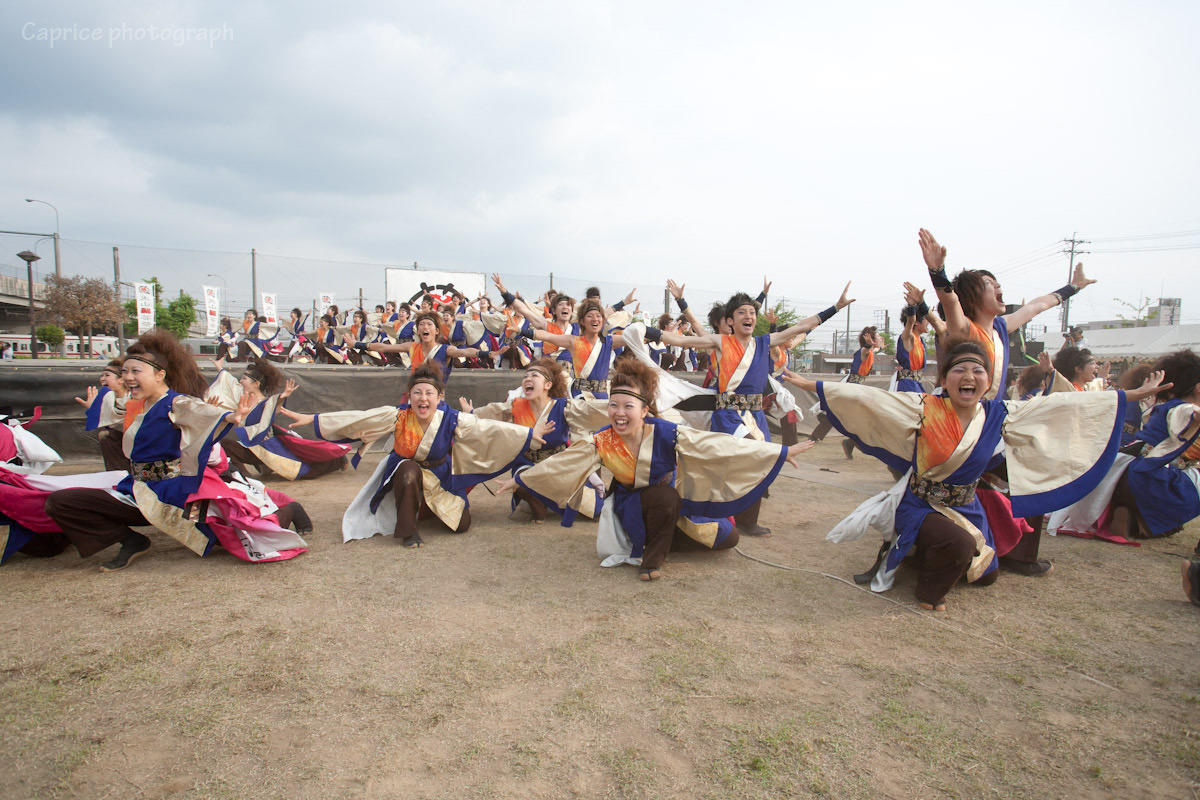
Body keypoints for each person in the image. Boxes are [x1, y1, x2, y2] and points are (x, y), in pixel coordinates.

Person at [783, 339, 1163, 610]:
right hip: (919, 503)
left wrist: (1128, 395)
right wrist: (811, 385)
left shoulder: (1001, 414)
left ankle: (920, 552)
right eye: (959, 370)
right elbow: (870, 399)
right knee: (960, 549)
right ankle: (928, 593)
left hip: (967, 508)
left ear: (987, 379)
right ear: (946, 378)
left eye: (977, 370)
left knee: (987, 575)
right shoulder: (922, 407)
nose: (969, 376)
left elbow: (1065, 406)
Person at [499, 359, 814, 580]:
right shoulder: (601, 440)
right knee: (662, 496)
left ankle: (662, 539)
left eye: (627, 407)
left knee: (728, 539)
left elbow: (716, 446)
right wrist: (523, 478)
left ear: (644, 410)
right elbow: (566, 462)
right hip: (631, 507)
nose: (619, 413)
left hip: (671, 507)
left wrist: (779, 451)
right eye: (613, 406)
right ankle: (652, 558)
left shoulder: (666, 431)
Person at [44, 330, 312, 572]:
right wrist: (96, 408)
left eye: (135, 371)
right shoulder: (138, 405)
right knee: (61, 501)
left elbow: (200, 411)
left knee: (236, 537)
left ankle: (289, 510)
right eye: (124, 371)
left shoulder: (176, 403)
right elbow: (118, 417)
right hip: (137, 488)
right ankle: (132, 540)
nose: (127, 377)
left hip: (176, 496)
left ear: (160, 374)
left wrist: (230, 417)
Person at [651, 283, 854, 536]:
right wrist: (647, 332)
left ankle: (747, 519)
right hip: (728, 415)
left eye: (752, 312)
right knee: (746, 458)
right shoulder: (720, 341)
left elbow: (801, 326)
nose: (748, 316)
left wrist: (835, 307)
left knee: (761, 462)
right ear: (730, 321)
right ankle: (712, 510)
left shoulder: (764, 342)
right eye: (741, 313)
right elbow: (681, 338)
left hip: (756, 416)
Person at [279, 364, 551, 548]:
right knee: (408, 469)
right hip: (406, 474)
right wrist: (312, 419)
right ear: (409, 397)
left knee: (462, 525)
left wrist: (528, 434)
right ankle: (408, 531)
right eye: (417, 393)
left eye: (429, 393)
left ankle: (427, 510)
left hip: (440, 478)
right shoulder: (398, 416)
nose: (423, 398)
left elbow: (487, 428)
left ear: (439, 396)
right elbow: (359, 418)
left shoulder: (451, 419)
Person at [460, 357, 609, 522]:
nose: (528, 379)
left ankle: (551, 500)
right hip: (527, 464)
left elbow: (590, 410)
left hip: (558, 467)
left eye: (534, 375)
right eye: (525, 376)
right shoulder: (516, 405)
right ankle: (536, 504)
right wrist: (472, 413)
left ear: (548, 385)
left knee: (595, 511)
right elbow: (494, 411)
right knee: (523, 478)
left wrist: (621, 408)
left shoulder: (563, 406)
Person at [205, 356, 351, 480]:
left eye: (244, 378)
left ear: (256, 383)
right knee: (225, 445)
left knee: (303, 471)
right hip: (251, 447)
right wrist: (220, 369)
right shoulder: (242, 397)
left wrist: (284, 396)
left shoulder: (266, 403)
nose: (240, 381)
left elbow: (275, 404)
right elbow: (229, 383)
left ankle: (337, 460)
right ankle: (243, 477)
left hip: (267, 447)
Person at [353, 310, 480, 384]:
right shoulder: (412, 347)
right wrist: (356, 344)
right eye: (422, 324)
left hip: (436, 398)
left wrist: (488, 354)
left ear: (436, 331)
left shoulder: (445, 349)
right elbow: (384, 348)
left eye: (429, 324)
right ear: (417, 330)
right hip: (414, 394)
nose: (425, 327)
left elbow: (466, 351)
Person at [78, 358, 137, 471]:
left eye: (107, 375)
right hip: (120, 447)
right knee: (106, 435)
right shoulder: (108, 400)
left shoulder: (135, 397)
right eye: (102, 375)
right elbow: (108, 421)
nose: (102, 379)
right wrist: (93, 408)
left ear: (121, 379)